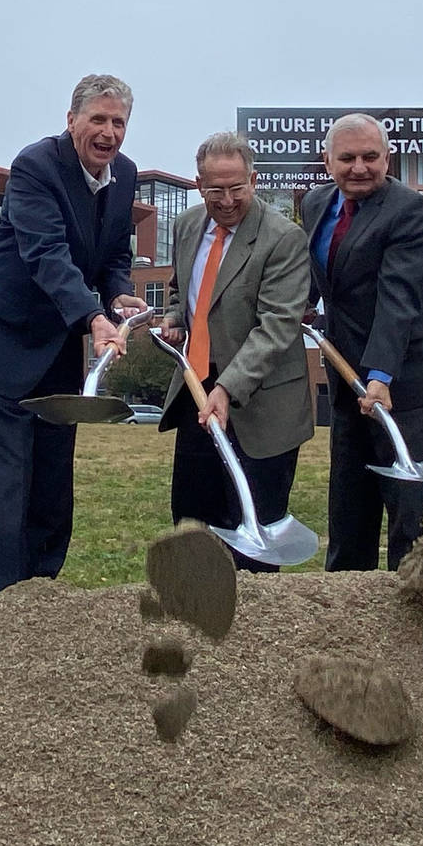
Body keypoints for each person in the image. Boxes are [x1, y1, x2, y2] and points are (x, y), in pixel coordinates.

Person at [0, 75, 143, 595]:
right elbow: (47, 255)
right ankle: (1, 604)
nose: (108, 132)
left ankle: (43, 592)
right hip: (4, 340)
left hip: (59, 345)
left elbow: (114, 255)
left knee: (54, 483)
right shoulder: (36, 166)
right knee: (9, 485)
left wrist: (119, 294)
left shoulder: (123, 176)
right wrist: (92, 318)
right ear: (71, 121)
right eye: (97, 119)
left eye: (118, 121)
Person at [155, 133, 314, 572]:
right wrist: (173, 321)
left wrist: (227, 387)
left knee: (253, 537)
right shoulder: (187, 226)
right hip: (195, 392)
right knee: (193, 526)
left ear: (254, 180)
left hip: (261, 405)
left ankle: (254, 630)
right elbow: (180, 292)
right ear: (198, 184)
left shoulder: (283, 239)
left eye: (237, 188)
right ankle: (195, 614)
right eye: (215, 190)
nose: (226, 200)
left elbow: (277, 326)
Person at [301, 114, 423, 572]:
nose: (360, 167)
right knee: (349, 499)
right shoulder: (314, 203)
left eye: (371, 157)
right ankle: (349, 600)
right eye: (347, 158)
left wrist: (380, 376)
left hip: (405, 380)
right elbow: (323, 275)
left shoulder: (408, 209)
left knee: (407, 505)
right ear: (327, 161)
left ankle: (413, 597)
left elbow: (399, 298)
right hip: (346, 373)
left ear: (388, 158)